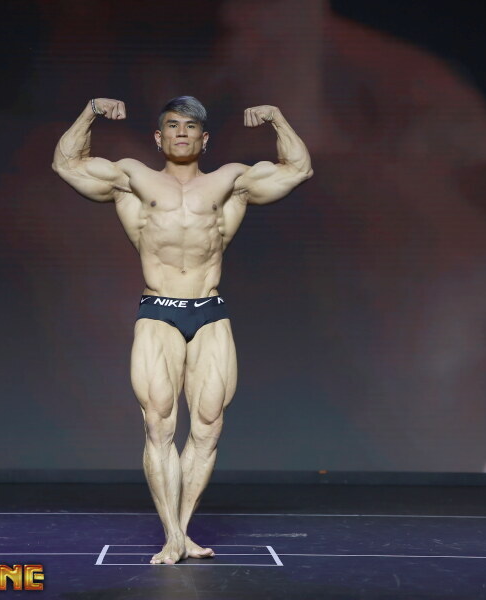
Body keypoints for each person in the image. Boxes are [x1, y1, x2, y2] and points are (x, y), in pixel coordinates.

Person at [52, 96, 312, 564]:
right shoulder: (133, 178)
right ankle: (171, 535)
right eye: (172, 126)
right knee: (159, 424)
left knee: (208, 427)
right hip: (159, 310)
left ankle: (184, 530)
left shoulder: (230, 181)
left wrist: (277, 118)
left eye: (190, 127)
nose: (181, 133)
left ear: (204, 138)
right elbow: (66, 163)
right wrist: (89, 111)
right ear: (159, 136)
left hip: (210, 310)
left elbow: (298, 169)